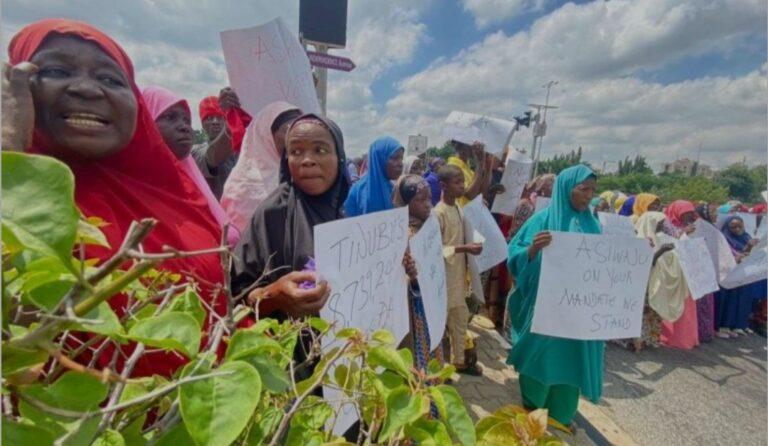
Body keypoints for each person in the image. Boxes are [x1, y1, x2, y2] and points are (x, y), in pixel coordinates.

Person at [4, 18, 233, 377]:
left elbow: (214, 301)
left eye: (110, 79)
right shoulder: (13, 201)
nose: (86, 89)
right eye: (57, 70)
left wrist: (264, 299)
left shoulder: (174, 195)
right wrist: (8, 158)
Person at [232, 113, 347, 379]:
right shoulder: (273, 213)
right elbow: (236, 296)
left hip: (340, 363)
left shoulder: (343, 215)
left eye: (320, 150)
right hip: (290, 368)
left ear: (339, 158)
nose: (307, 160)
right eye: (295, 151)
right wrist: (274, 297)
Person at [506, 164, 601, 428]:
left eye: (593, 190)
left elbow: (605, 265)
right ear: (566, 189)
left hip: (576, 314)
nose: (588, 196)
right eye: (583, 189)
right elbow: (514, 256)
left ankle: (561, 416)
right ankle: (533, 409)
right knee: (541, 358)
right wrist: (533, 250)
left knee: (571, 363)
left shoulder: (592, 225)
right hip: (545, 310)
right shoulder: (542, 220)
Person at [141, 85, 239, 246]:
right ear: (146, 121)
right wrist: (230, 124)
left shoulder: (236, 152)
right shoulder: (195, 153)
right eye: (170, 117)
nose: (184, 126)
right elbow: (214, 156)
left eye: (186, 120)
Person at [219, 102, 302, 234]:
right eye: (288, 130)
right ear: (266, 134)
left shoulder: (304, 175)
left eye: (300, 130)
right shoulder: (240, 186)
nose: (297, 138)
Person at [392, 174, 445, 371]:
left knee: (434, 348)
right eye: (419, 200)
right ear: (405, 203)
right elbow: (397, 280)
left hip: (432, 304)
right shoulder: (403, 236)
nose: (427, 205)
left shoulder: (430, 227)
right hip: (416, 311)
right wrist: (412, 277)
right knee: (419, 355)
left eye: (429, 198)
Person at [434, 164, 484, 375]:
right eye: (457, 182)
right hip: (444, 280)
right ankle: (436, 371)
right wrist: (465, 248)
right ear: (443, 186)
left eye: (463, 181)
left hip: (458, 279)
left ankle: (459, 362)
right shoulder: (438, 214)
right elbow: (436, 251)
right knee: (438, 326)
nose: (462, 185)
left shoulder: (458, 209)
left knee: (460, 320)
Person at [493, 174, 555, 330]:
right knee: (514, 291)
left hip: (539, 265)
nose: (552, 192)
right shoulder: (526, 206)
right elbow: (516, 234)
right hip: (523, 253)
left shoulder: (552, 211)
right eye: (549, 188)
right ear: (542, 189)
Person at [625, 212, 688, 350]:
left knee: (652, 312)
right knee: (640, 313)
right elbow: (644, 263)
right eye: (659, 222)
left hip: (654, 283)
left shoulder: (658, 238)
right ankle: (636, 341)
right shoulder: (638, 238)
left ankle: (649, 339)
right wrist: (661, 252)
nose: (662, 225)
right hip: (642, 284)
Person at [192, 89, 252, 199]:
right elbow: (212, 157)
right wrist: (232, 127)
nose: (215, 121)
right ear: (202, 124)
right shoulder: (195, 151)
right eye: (209, 118)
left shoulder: (245, 146)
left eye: (220, 117)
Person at [659, 200, 700, 349]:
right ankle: (670, 336)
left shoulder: (692, 227)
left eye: (690, 213)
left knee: (686, 305)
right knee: (672, 303)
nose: (687, 216)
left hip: (687, 271)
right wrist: (683, 233)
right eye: (684, 213)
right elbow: (666, 243)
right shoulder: (664, 223)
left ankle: (686, 336)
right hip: (671, 271)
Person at [715, 215, 763, 338]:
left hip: (743, 274)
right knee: (727, 301)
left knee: (742, 300)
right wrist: (747, 247)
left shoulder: (746, 236)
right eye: (733, 226)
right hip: (728, 275)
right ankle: (722, 326)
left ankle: (738, 324)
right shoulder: (724, 238)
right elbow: (729, 255)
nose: (737, 229)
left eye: (739, 226)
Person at [344, 136, 403, 217]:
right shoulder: (358, 192)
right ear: (380, 159)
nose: (400, 164)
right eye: (395, 158)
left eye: (401, 158)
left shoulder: (394, 190)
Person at [446, 140, 492, 207]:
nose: (476, 147)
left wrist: (488, 167)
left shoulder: (467, 167)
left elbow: (481, 192)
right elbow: (470, 195)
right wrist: (480, 163)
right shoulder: (453, 166)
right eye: (473, 144)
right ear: (464, 145)